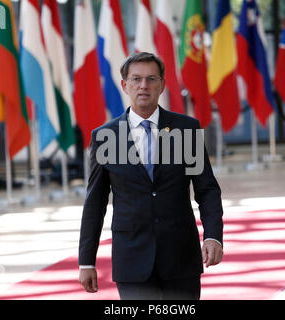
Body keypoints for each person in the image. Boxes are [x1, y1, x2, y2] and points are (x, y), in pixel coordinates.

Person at [78, 52, 224, 300]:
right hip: (132, 259)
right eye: (136, 79)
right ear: (125, 85)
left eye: (151, 79)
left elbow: (207, 189)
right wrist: (86, 261)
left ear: (162, 85)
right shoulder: (105, 136)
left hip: (180, 257)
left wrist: (213, 236)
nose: (143, 86)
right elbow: (95, 201)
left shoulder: (186, 129)